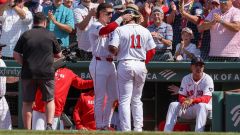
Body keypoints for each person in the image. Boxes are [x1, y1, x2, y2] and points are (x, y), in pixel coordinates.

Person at [108, 8, 156, 131]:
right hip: (140, 64)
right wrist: (143, 63)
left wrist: (117, 53)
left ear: (128, 17)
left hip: (125, 63)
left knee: (124, 100)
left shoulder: (120, 29)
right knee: (136, 99)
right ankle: (138, 129)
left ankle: (126, 130)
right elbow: (152, 51)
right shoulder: (145, 30)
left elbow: (112, 47)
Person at [13, 12, 62, 130]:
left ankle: (27, 129)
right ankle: (49, 126)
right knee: (49, 100)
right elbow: (59, 54)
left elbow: (15, 54)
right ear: (44, 22)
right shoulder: (50, 35)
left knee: (27, 102)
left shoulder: (26, 34)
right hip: (46, 73)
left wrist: (24, 63)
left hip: (28, 72)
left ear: (34, 22)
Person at [88, 3, 132, 130]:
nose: (111, 15)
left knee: (114, 97)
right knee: (100, 97)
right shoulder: (95, 25)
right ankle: (99, 126)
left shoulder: (111, 27)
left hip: (110, 63)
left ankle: (106, 124)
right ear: (100, 13)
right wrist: (121, 18)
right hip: (98, 62)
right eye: (108, 13)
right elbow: (104, 31)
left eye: (112, 13)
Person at [32, 58, 94, 130]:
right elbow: (33, 84)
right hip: (39, 108)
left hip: (56, 111)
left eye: (57, 56)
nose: (55, 58)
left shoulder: (69, 73)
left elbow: (81, 84)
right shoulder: (44, 68)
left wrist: (96, 82)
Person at [164, 57, 214, 132]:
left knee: (201, 105)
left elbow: (206, 99)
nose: (198, 67)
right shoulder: (186, 78)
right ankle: (167, 132)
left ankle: (199, 133)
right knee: (173, 105)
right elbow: (181, 95)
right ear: (191, 67)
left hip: (206, 109)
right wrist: (184, 100)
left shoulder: (208, 79)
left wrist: (191, 100)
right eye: (196, 65)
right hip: (191, 108)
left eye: (201, 65)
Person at [0, 43, 12, 130]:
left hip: (2, 100)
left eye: (1, 48)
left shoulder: (1, 62)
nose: (1, 50)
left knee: (6, 130)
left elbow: (7, 79)